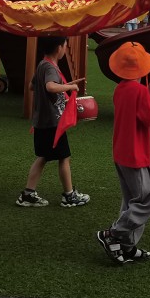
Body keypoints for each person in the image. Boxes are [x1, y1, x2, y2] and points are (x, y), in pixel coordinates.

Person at [96, 42, 150, 264]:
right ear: (142, 67)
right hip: (136, 155)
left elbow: (138, 106)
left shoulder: (121, 89)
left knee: (131, 202)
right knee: (147, 201)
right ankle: (113, 233)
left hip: (122, 152)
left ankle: (127, 246)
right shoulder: (139, 92)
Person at [16, 35, 90, 209]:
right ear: (59, 48)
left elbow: (33, 86)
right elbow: (50, 87)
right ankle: (69, 196)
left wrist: (62, 85)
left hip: (42, 122)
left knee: (43, 157)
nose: (64, 48)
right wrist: (69, 87)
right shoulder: (50, 67)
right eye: (65, 45)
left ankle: (28, 194)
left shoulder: (42, 64)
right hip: (52, 123)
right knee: (64, 157)